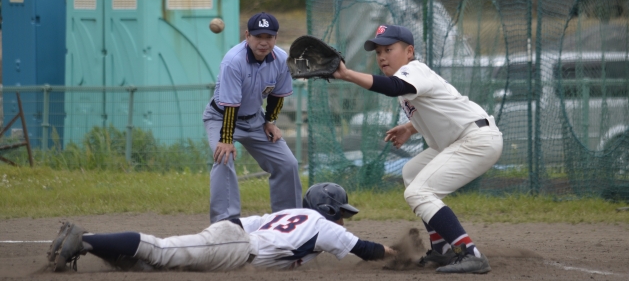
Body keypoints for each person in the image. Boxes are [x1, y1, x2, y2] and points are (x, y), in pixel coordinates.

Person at [332, 24, 503, 274]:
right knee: (412, 172)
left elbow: (392, 87)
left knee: (419, 192)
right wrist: (410, 128)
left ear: (409, 51)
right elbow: (442, 107)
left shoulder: (414, 70)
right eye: (378, 52)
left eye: (388, 49)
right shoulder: (412, 78)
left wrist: (347, 74)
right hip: (462, 139)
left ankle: (470, 253)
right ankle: (442, 249)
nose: (382, 57)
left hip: (475, 140)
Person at [47, 183, 395, 272]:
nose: (343, 220)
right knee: (162, 250)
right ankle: (86, 239)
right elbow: (365, 250)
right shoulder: (324, 226)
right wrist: (398, 254)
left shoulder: (290, 215)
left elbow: (235, 221)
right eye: (342, 213)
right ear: (329, 210)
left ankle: (96, 246)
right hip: (237, 248)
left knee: (156, 263)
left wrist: (213, 240)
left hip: (233, 239)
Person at [203, 12, 301, 223]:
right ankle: (226, 223)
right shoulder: (233, 61)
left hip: (255, 120)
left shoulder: (282, 60)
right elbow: (230, 105)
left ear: (275, 38)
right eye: (258, 36)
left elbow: (277, 94)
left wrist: (270, 122)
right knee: (223, 158)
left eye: (269, 37)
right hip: (221, 117)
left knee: (288, 163)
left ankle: (289, 222)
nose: (263, 42)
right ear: (247, 36)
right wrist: (226, 140)